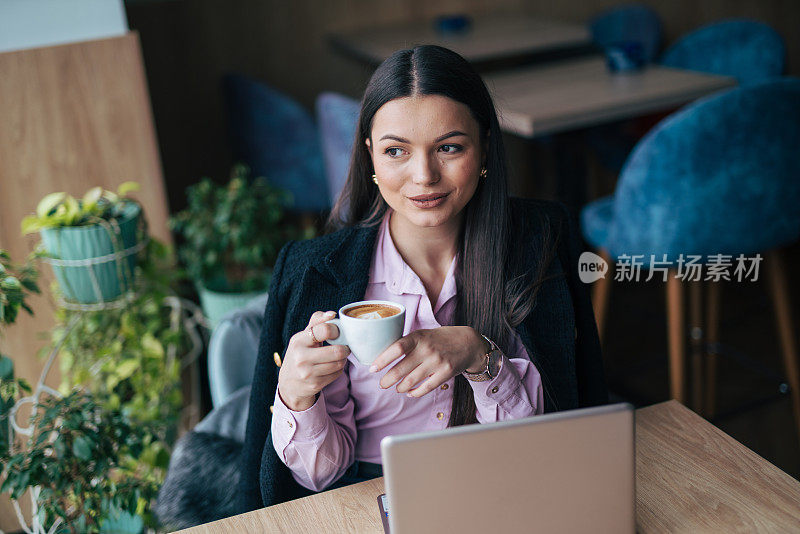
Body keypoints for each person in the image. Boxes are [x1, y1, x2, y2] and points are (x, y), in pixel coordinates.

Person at [239, 45, 606, 513]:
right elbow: (320, 475)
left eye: (449, 147)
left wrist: (481, 355)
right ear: (370, 155)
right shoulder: (311, 270)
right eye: (396, 151)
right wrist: (296, 397)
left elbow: (558, 435)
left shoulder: (542, 240)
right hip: (370, 504)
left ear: (486, 145)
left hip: (512, 495)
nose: (424, 176)